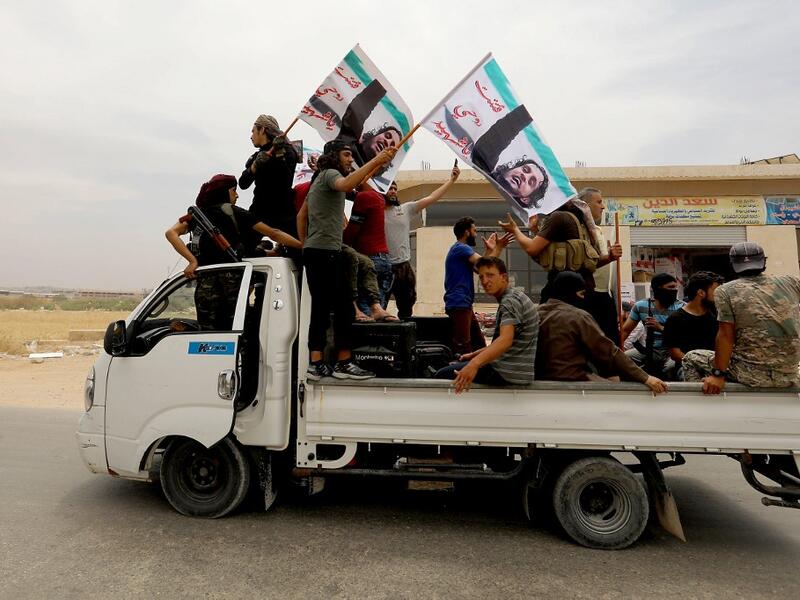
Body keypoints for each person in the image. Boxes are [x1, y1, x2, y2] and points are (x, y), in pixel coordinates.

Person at [303, 138, 396, 380]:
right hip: (325, 252)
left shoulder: (319, 179)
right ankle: (342, 364)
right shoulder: (330, 174)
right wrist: (376, 159)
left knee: (323, 309)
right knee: (344, 307)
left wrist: (306, 243)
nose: (351, 159)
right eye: (347, 154)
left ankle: (317, 364)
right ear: (333, 155)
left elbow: (302, 216)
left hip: (318, 251)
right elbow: (345, 184)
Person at [165, 174, 301, 330]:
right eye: (233, 190)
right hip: (233, 281)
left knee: (208, 331)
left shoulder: (197, 215)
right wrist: (302, 245)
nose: (236, 194)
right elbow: (274, 233)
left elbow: (171, 233)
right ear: (224, 192)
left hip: (205, 282)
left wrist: (192, 261)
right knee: (238, 328)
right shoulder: (232, 212)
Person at [500, 187, 623, 340]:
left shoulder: (569, 220)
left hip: (567, 295)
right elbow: (540, 251)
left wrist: (515, 230)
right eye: (599, 202)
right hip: (577, 294)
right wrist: (519, 230)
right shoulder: (574, 221)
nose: (603, 206)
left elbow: (535, 249)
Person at [682, 242, 800, 393]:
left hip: (751, 375)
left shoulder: (725, 291)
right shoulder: (792, 282)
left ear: (733, 264)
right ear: (764, 261)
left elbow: (726, 336)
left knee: (691, 358)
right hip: (790, 374)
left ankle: (704, 404)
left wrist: (718, 375)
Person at [535, 272, 668, 393]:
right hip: (572, 378)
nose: (583, 299)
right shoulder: (578, 316)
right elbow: (608, 351)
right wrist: (646, 378)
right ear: (571, 293)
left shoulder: (536, 313)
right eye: (581, 294)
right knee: (617, 389)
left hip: (537, 378)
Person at [436, 257, 538, 393]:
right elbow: (509, 343)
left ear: (504, 277)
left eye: (490, 275)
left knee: (441, 375)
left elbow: (505, 341)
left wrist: (474, 364)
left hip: (506, 373)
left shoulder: (510, 302)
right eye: (481, 277)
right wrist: (474, 355)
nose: (484, 281)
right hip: (514, 371)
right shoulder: (516, 297)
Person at [384, 163, 461, 319]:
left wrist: (451, 180)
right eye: (389, 188)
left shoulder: (405, 209)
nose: (393, 191)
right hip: (384, 266)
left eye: (395, 188)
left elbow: (431, 198)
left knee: (407, 307)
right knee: (379, 304)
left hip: (404, 266)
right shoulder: (375, 211)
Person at [444, 216, 512, 356]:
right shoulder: (461, 248)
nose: (476, 234)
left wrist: (490, 251)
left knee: (479, 345)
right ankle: (462, 373)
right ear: (467, 232)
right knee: (463, 347)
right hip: (459, 303)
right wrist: (498, 247)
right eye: (474, 230)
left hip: (464, 304)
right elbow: (485, 266)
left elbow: (481, 269)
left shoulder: (460, 250)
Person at [239, 115, 300, 252]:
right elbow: (243, 184)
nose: (251, 136)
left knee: (298, 251)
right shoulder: (257, 156)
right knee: (241, 249)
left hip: (283, 212)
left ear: (263, 130)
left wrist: (279, 154)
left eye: (253, 131)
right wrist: (255, 166)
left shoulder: (288, 151)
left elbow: (285, 179)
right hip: (259, 211)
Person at [621, 273, 684, 378]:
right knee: (625, 360)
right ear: (658, 289)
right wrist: (618, 351)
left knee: (670, 369)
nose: (674, 290)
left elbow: (685, 335)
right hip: (649, 350)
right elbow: (625, 330)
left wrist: (661, 328)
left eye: (675, 287)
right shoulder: (641, 306)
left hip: (672, 352)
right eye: (670, 287)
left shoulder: (681, 308)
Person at [344, 183, 394, 314]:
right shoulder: (379, 197)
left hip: (369, 259)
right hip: (384, 259)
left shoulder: (363, 197)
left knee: (366, 311)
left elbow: (352, 232)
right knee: (379, 309)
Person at [663, 271, 723, 376]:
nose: (719, 295)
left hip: (715, 367)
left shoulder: (717, 316)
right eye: (716, 291)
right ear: (701, 293)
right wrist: (700, 363)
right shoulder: (675, 319)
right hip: (688, 366)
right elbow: (675, 353)